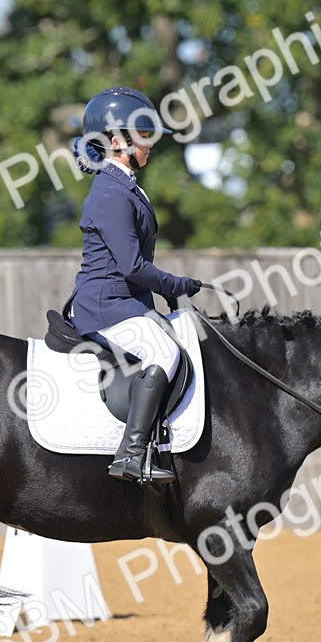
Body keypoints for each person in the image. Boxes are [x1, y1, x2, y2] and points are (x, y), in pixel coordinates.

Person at [63, 87, 202, 484]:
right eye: (143, 136)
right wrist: (177, 283)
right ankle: (132, 453)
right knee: (164, 351)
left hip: (127, 301)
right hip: (105, 306)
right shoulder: (109, 191)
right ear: (117, 141)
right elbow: (132, 265)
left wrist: (169, 293)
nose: (150, 144)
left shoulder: (125, 186)